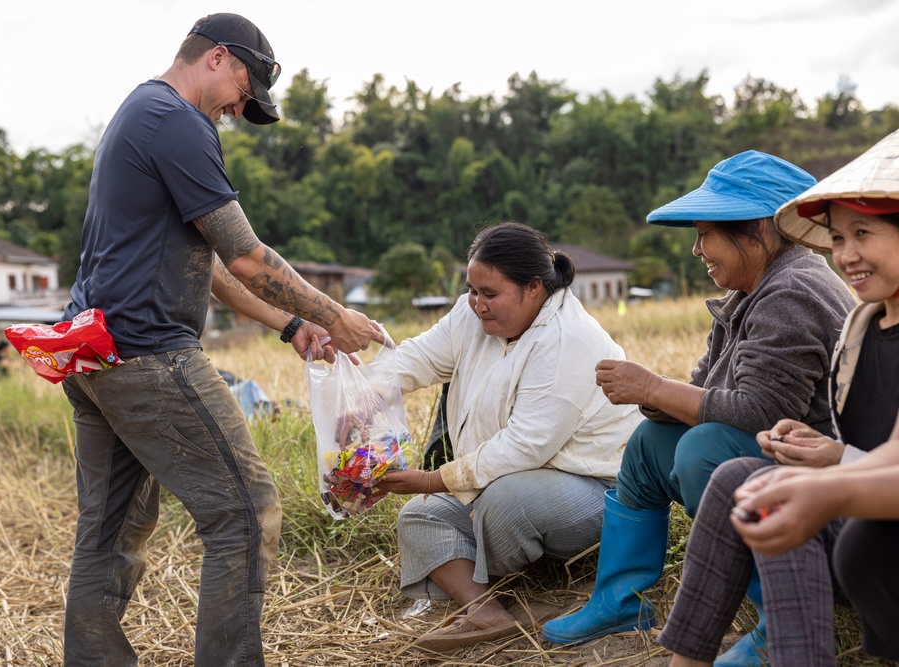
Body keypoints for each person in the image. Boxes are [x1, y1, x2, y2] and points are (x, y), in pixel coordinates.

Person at [58, 13, 382, 666]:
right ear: (218, 58)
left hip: (94, 355)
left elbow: (209, 267)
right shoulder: (176, 121)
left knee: (109, 534)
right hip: (148, 356)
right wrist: (334, 313)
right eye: (245, 91)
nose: (240, 109)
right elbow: (244, 256)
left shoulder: (141, 113)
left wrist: (293, 324)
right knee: (245, 515)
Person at [542, 151, 857, 663]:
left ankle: (780, 621)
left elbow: (761, 415)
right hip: (777, 458)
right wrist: (650, 394)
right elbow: (703, 390)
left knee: (704, 450)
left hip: (822, 484)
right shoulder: (747, 293)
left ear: (757, 229)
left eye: (706, 234)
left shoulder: (792, 291)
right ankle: (623, 600)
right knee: (650, 445)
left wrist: (653, 387)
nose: (696, 250)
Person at [658, 128, 899, 666]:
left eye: (864, 233)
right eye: (838, 238)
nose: (848, 255)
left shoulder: (791, 292)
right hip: (868, 531)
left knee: (774, 487)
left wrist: (830, 490)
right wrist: (830, 456)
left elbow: (754, 407)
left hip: (878, 537)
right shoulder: (864, 326)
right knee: (742, 479)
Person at [375, 222, 644, 652]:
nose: (476, 304)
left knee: (503, 501)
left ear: (534, 287)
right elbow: (421, 357)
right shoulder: (473, 313)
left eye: (489, 293)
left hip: (596, 489)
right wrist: (361, 392)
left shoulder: (566, 339)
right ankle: (486, 611)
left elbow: (526, 445)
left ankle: (509, 567)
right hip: (507, 478)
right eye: (471, 290)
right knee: (417, 516)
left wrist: (432, 480)